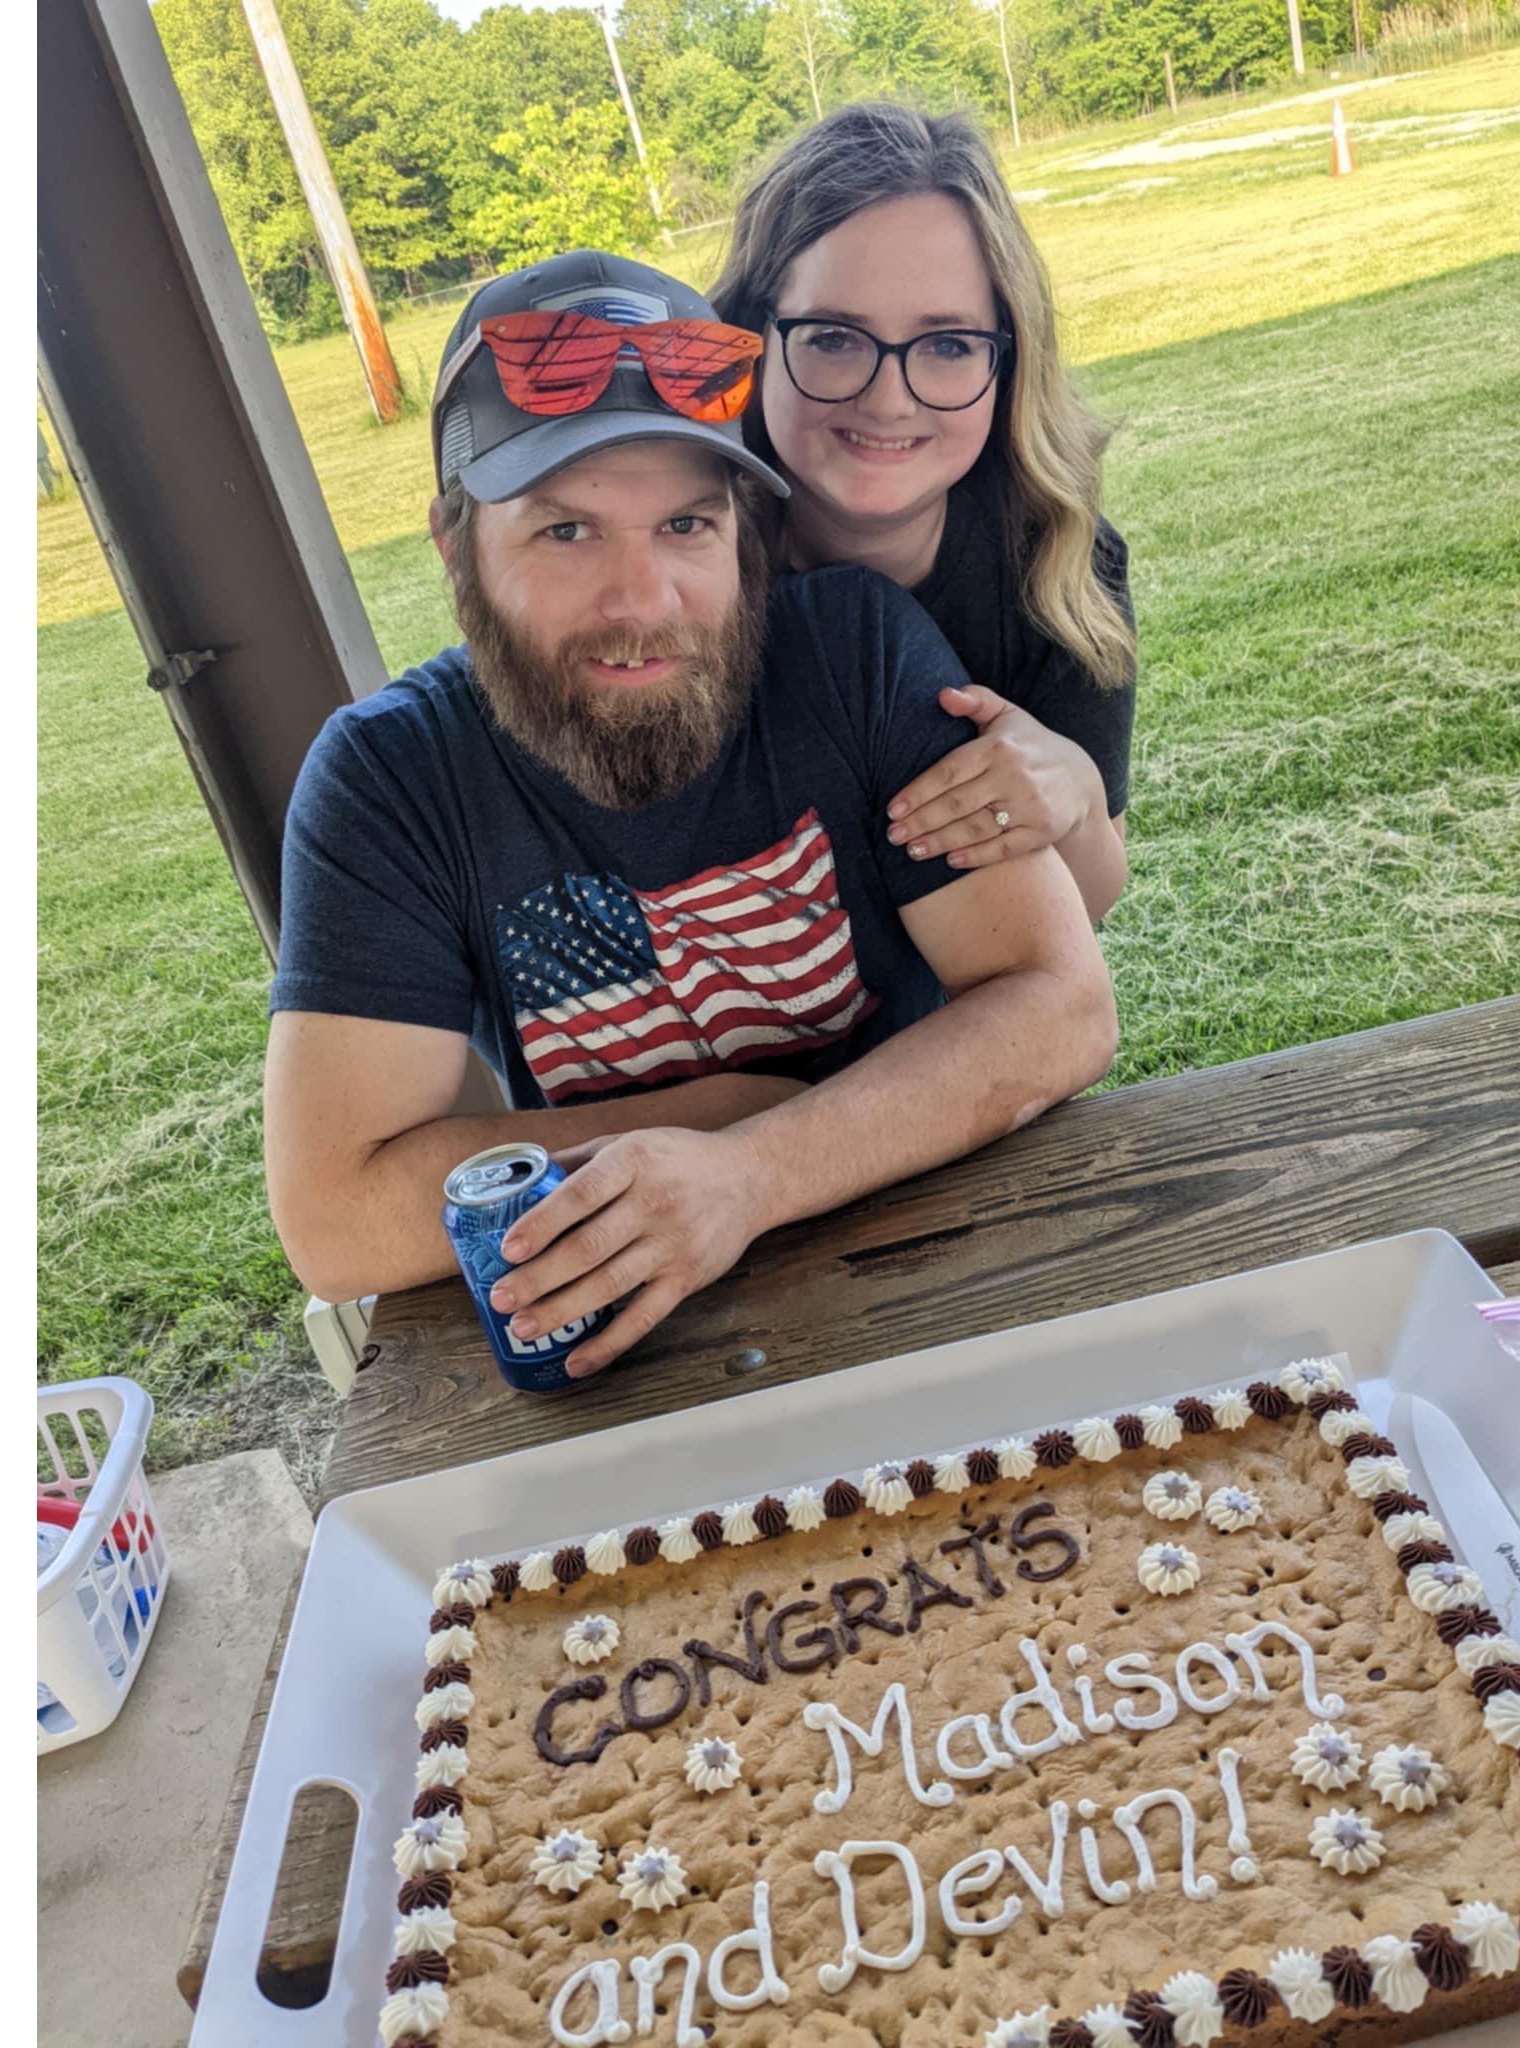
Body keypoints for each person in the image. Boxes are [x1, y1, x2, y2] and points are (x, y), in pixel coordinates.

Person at [263, 250, 1117, 1380]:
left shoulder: (850, 653)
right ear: (455, 543)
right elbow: (336, 1216)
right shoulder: (390, 778)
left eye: (685, 526)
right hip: (638, 1347)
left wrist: (749, 1171)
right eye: (564, 532)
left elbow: (1060, 1007)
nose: (641, 602)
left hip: (960, 1262)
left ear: (742, 533)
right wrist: (721, 1109)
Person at [710, 102, 1138, 924]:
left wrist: (1074, 797)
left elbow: (1088, 904)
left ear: (1007, 358)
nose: (888, 397)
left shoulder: (1058, 568)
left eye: (946, 345)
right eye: (835, 336)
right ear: (753, 336)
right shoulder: (681, 560)